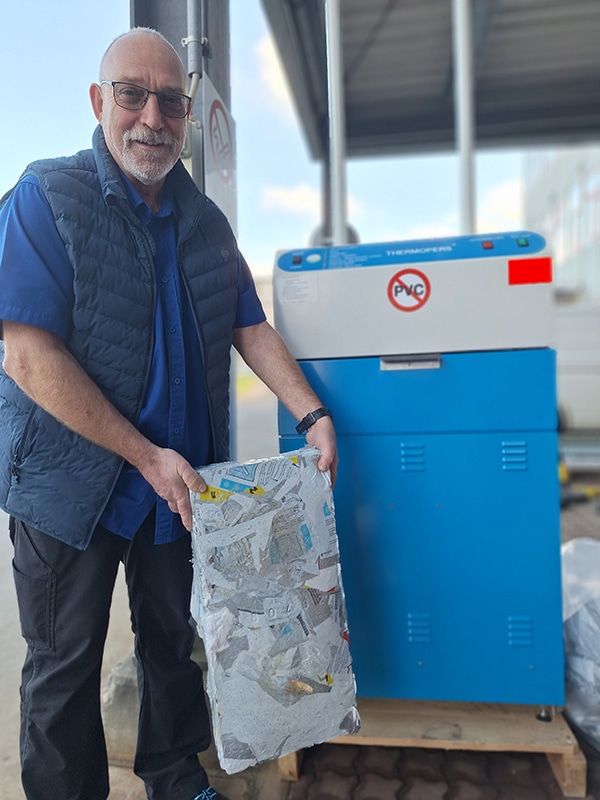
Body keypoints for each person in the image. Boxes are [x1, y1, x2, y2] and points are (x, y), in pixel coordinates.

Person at [0, 27, 337, 800]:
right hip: (70, 488)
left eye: (171, 103)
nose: (152, 116)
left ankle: (171, 772)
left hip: (179, 493)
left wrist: (311, 412)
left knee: (173, 642)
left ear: (187, 117)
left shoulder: (206, 224)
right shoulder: (47, 198)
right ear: (99, 101)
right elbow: (28, 357)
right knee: (64, 665)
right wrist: (144, 455)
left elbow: (249, 324)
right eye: (132, 95)